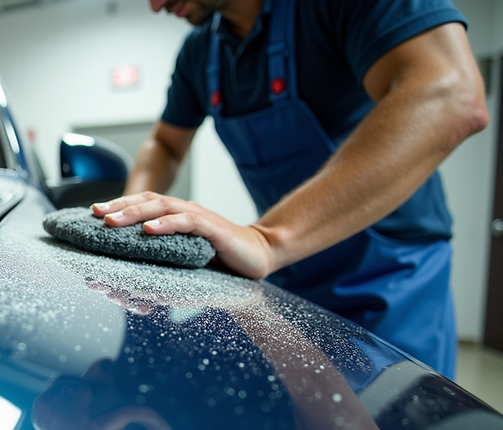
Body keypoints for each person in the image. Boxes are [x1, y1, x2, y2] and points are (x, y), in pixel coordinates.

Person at [92, 0, 489, 378]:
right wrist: (127, 224)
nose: (155, 6)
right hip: (290, 278)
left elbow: (451, 94)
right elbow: (165, 143)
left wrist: (268, 240)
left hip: (392, 279)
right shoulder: (201, 51)